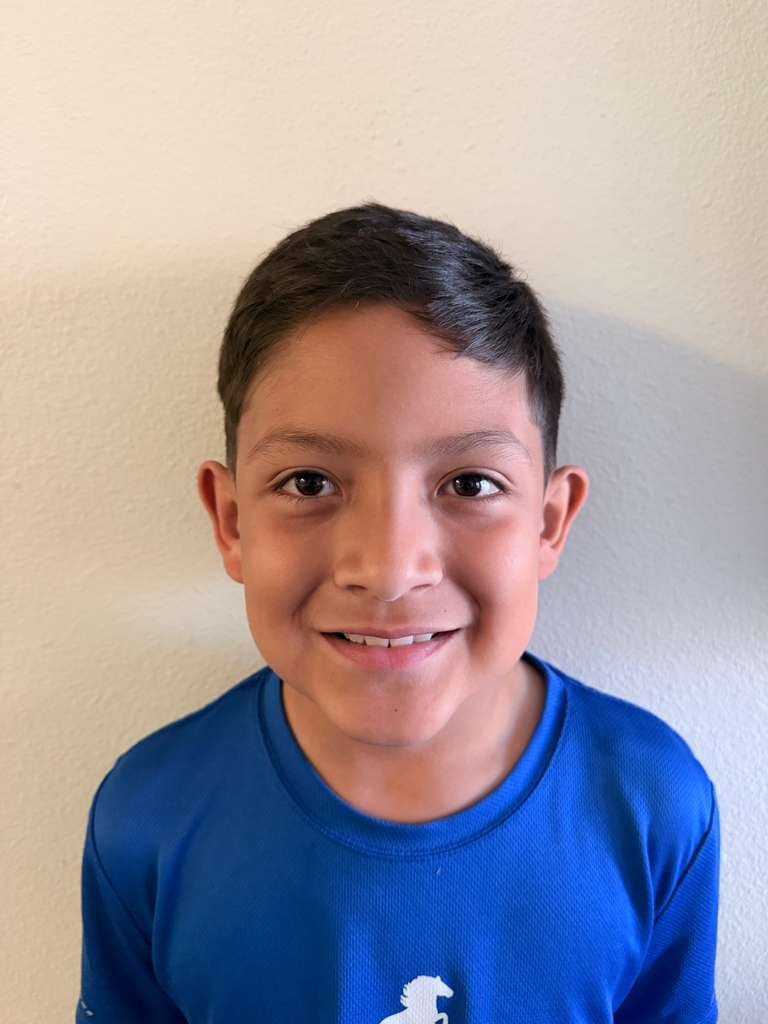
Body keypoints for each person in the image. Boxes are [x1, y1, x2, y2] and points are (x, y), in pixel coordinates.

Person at [76, 202, 720, 1023]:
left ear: (549, 523)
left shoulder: (653, 805)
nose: (386, 570)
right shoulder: (149, 818)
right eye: (310, 483)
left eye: (470, 484)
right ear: (232, 521)